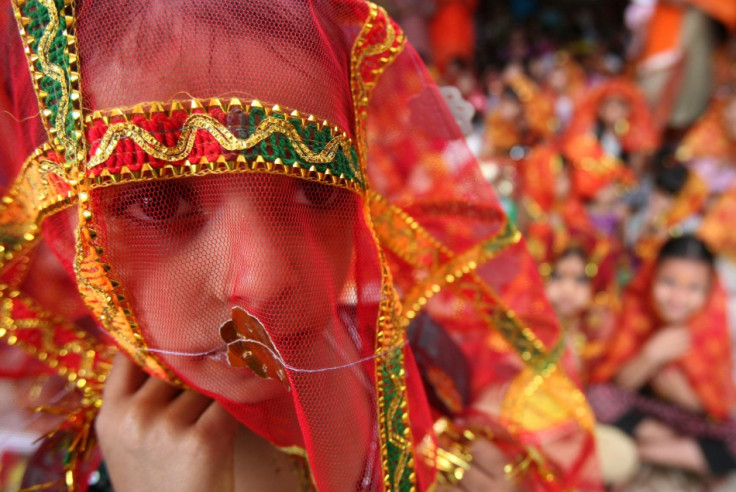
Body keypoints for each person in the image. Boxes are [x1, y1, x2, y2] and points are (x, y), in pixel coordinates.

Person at [0, 1, 600, 490]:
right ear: (59, 219)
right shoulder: (58, 467)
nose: (262, 281)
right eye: (158, 202)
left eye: (316, 191)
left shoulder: (420, 358)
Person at [589, 235, 736, 481]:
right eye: (668, 282)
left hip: (694, 419)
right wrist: (650, 356)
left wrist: (690, 400)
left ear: (710, 290)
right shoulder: (636, 308)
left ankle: (640, 454)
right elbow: (615, 384)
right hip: (647, 415)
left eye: (693, 288)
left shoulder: (721, 322)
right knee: (596, 397)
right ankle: (679, 452)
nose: (678, 298)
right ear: (651, 277)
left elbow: (722, 405)